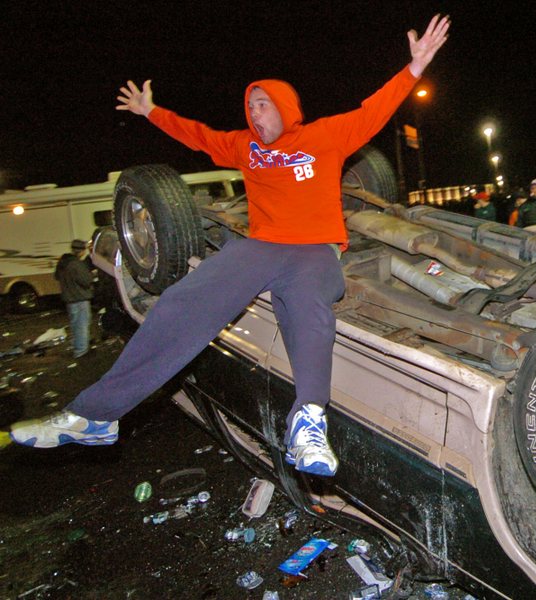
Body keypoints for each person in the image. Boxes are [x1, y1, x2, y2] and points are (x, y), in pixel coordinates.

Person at [9, 15, 451, 478]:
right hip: (259, 246)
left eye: (262, 104)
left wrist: (414, 69)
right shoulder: (244, 147)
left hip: (315, 249)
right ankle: (95, 414)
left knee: (309, 310)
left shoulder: (325, 137)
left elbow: (373, 110)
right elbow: (197, 135)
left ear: (284, 106)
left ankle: (309, 422)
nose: (254, 114)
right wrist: (150, 112)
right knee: (184, 300)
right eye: (249, 107)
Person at [56, 239, 95, 358]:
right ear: (82, 251)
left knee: (75, 324)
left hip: (69, 299)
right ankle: (81, 351)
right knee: (82, 325)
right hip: (79, 298)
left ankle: (77, 346)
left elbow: (57, 276)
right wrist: (93, 274)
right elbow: (86, 280)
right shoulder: (77, 264)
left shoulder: (63, 262)